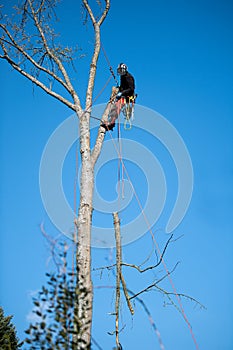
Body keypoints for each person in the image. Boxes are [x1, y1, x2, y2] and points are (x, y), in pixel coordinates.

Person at [105, 63, 135, 130]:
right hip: (123, 94)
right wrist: (120, 90)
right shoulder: (122, 76)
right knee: (113, 107)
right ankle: (110, 121)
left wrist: (122, 93)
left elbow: (131, 88)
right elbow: (122, 86)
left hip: (128, 96)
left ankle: (111, 123)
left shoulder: (129, 77)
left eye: (121, 70)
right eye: (119, 71)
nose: (120, 72)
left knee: (117, 107)